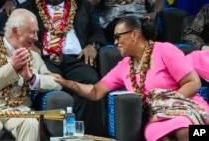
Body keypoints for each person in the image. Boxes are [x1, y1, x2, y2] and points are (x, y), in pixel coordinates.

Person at [49, 16, 209, 141]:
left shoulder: (165, 50)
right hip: (158, 119)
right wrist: (67, 83)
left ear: (134, 35)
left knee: (183, 129)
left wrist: (168, 107)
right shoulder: (124, 66)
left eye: (118, 37)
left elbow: (192, 82)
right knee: (162, 136)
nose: (115, 42)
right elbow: (95, 91)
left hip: (188, 108)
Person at [16, 0, 107, 136]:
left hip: (76, 58)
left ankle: (88, 135)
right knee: (52, 83)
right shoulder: (27, 7)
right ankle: (55, 136)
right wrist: (27, 45)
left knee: (91, 81)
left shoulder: (82, 5)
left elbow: (97, 30)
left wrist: (92, 45)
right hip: (45, 58)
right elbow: (12, 32)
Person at [0, 8, 62, 141]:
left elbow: (56, 83)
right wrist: (11, 67)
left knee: (30, 123)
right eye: (32, 32)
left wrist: (32, 78)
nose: (36, 38)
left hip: (19, 110)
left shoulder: (34, 56)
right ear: (15, 31)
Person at [97, 0, 165, 43]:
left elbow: (159, 1)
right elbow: (90, 3)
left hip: (139, 18)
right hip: (114, 21)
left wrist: (154, 12)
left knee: (149, 27)